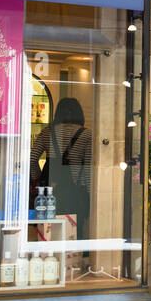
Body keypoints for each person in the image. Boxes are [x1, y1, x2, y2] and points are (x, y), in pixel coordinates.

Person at [30, 97, 92, 238]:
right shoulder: (87, 135)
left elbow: (32, 159)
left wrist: (37, 179)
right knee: (73, 229)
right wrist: (89, 195)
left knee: (48, 228)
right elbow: (88, 169)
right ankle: (72, 258)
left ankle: (49, 255)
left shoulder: (47, 132)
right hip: (74, 191)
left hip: (50, 189)